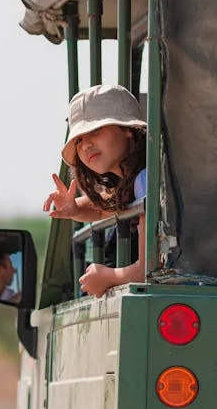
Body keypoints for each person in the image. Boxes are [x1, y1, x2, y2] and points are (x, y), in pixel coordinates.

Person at [43, 84, 147, 298]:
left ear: (128, 129)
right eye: (79, 140)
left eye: (95, 130)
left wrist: (108, 276)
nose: (86, 145)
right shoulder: (133, 181)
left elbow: (149, 269)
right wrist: (73, 208)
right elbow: (103, 210)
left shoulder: (146, 179)